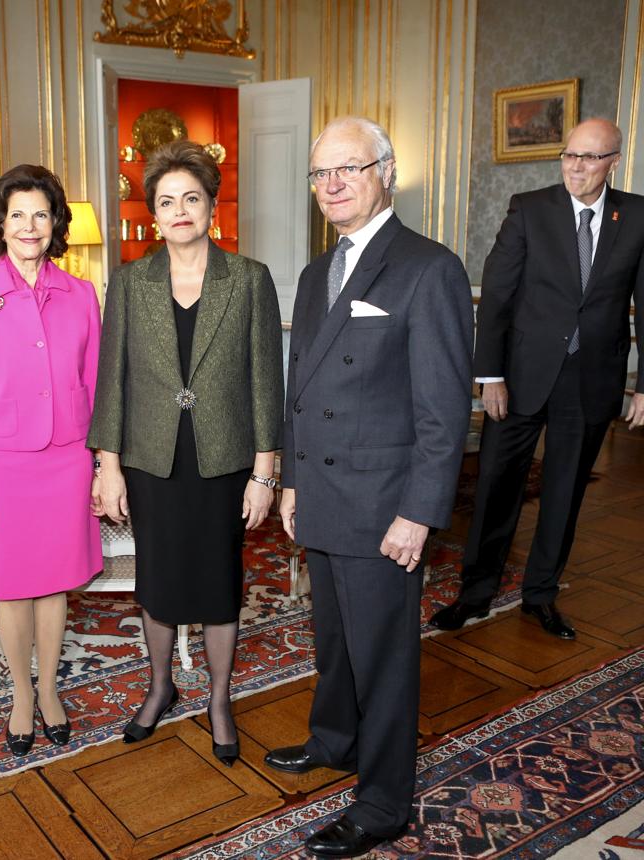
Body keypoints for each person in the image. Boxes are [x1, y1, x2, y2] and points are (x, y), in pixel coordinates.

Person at [270, 117, 473, 857]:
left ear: (385, 171)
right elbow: (299, 389)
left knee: (384, 659)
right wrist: (292, 481)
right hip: (321, 494)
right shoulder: (314, 274)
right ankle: (335, 739)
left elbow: (444, 410)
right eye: (321, 173)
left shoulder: (429, 268)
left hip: (384, 505)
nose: (332, 185)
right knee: (333, 639)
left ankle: (384, 802)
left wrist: (419, 512)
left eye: (348, 169)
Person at [88, 139, 283, 768]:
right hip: (151, 461)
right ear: (153, 214)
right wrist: (108, 467)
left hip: (223, 462)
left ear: (211, 208)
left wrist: (264, 472)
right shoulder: (129, 282)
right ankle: (160, 687)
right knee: (160, 581)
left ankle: (220, 700)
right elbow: (111, 381)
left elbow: (265, 381)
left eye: (191, 199)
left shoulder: (248, 279)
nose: (180, 211)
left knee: (220, 582)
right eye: (167, 201)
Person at [430, 118, 644, 640]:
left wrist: (643, 385)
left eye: (590, 157)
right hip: (521, 376)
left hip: (592, 378)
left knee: (565, 492)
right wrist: (491, 375)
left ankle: (541, 595)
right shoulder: (529, 209)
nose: (576, 166)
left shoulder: (637, 215)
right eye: (570, 155)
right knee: (496, 487)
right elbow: (497, 295)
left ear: (614, 162)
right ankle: (475, 592)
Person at [0, 164, 103, 756]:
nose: (30, 226)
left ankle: (50, 690)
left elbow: (97, 385)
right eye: (18, 215)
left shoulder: (82, 295)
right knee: (12, 587)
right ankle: (19, 694)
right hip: (1, 467)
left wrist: (102, 465)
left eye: (41, 214)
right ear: (1, 224)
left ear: (55, 222)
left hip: (67, 460)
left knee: (56, 583)